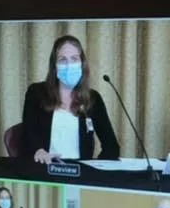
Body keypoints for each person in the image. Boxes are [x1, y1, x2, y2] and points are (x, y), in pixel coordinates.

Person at [18, 35, 121, 164]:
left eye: (74, 59)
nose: (69, 65)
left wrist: (95, 168)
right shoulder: (36, 93)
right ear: (54, 66)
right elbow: (27, 134)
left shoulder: (93, 98)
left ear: (82, 64)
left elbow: (111, 146)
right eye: (62, 60)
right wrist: (38, 151)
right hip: (45, 167)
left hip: (80, 171)